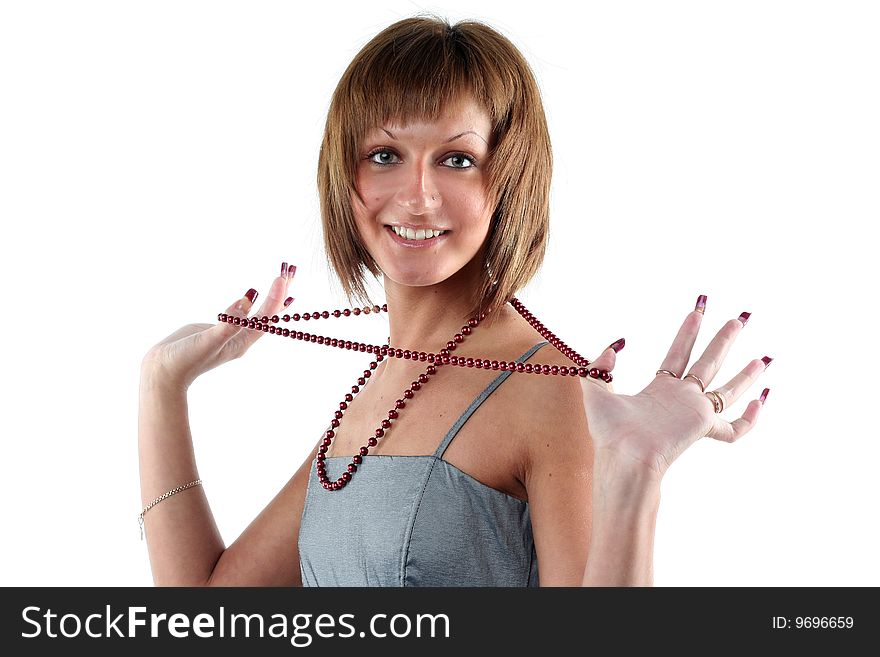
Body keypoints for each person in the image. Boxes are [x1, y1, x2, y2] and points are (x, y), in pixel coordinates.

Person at [138, 15, 771, 587]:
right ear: (345, 174)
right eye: (385, 155)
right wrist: (161, 387)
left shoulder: (553, 393)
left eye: (457, 160)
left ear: (510, 179)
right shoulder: (376, 390)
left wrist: (634, 475)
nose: (417, 196)